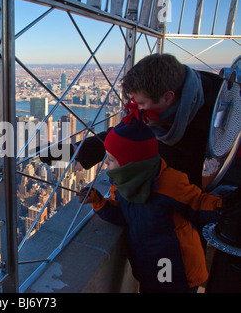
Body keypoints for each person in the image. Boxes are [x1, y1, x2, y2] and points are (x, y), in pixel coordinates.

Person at [78, 109, 223, 293]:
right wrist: (99, 202)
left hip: (177, 270)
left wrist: (223, 209)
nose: (106, 163)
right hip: (149, 270)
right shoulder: (121, 186)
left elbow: (198, 204)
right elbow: (124, 215)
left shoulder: (168, 183)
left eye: (111, 159)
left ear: (131, 164)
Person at [41, 53, 224, 189]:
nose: (137, 107)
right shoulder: (157, 109)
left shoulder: (220, 116)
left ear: (168, 98)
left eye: (142, 102)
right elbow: (124, 134)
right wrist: (71, 151)